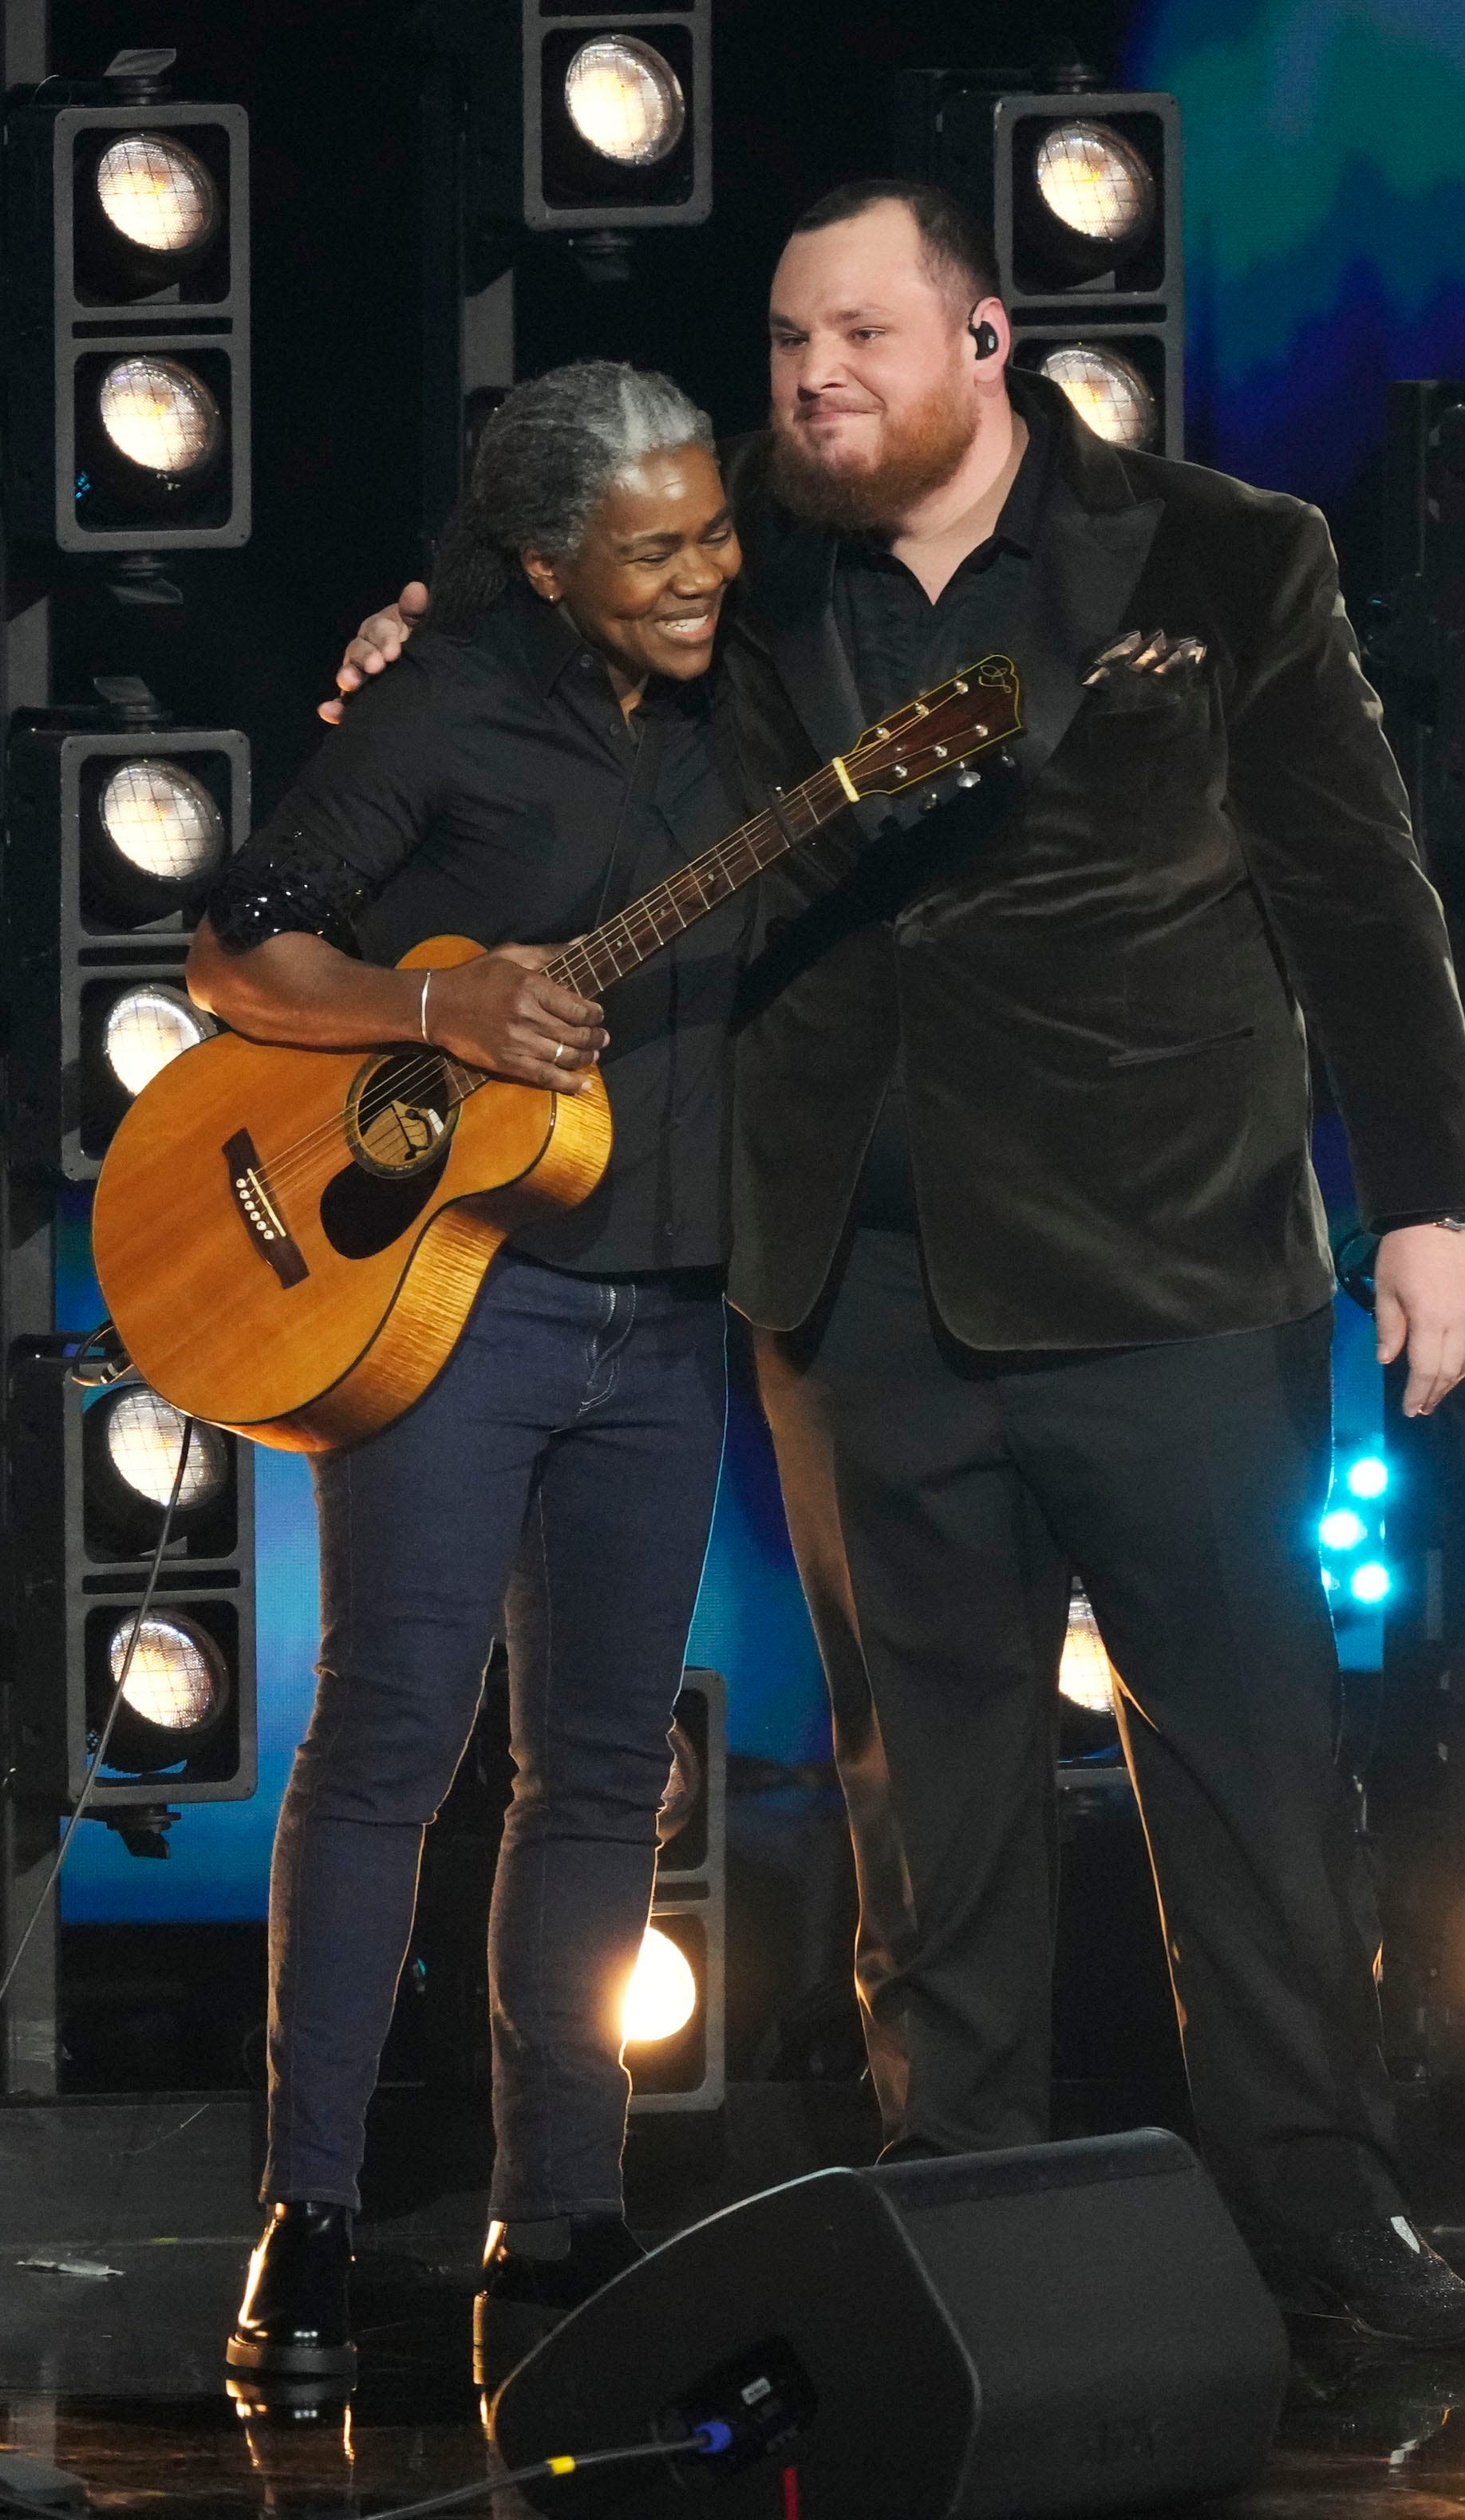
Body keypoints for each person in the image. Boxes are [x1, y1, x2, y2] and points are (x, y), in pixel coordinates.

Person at [333, 184, 1465, 2348]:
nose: (815, 379)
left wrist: (1436, 1201)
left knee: (1248, 1764)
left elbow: (1361, 887)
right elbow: (531, 612)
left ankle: (1324, 2227)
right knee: (923, 1783)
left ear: (985, 338)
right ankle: (965, 2216)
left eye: (861, 335)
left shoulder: (1223, 552)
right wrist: (424, 636)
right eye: (792, 343)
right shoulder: (735, 557)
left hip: (1171, 1257)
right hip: (859, 1278)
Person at [195, 360, 748, 2385]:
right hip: (448, 1299)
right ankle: (312, 2217)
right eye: (654, 547)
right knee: (388, 1745)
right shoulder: (438, 704)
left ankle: (563, 2207)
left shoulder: (751, 690)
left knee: (605, 1769)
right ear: (543, 563)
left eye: (715, 529)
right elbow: (239, 944)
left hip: (668, 1303)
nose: (703, 570)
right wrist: (436, 1005)